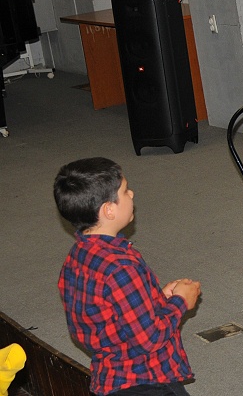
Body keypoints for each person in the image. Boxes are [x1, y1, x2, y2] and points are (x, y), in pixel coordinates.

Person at [54, 157, 202, 396]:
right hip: (143, 378)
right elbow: (150, 338)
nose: (131, 194)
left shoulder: (77, 256)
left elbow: (106, 309)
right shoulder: (120, 267)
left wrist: (157, 298)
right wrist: (180, 302)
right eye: (125, 191)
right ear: (109, 210)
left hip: (110, 374)